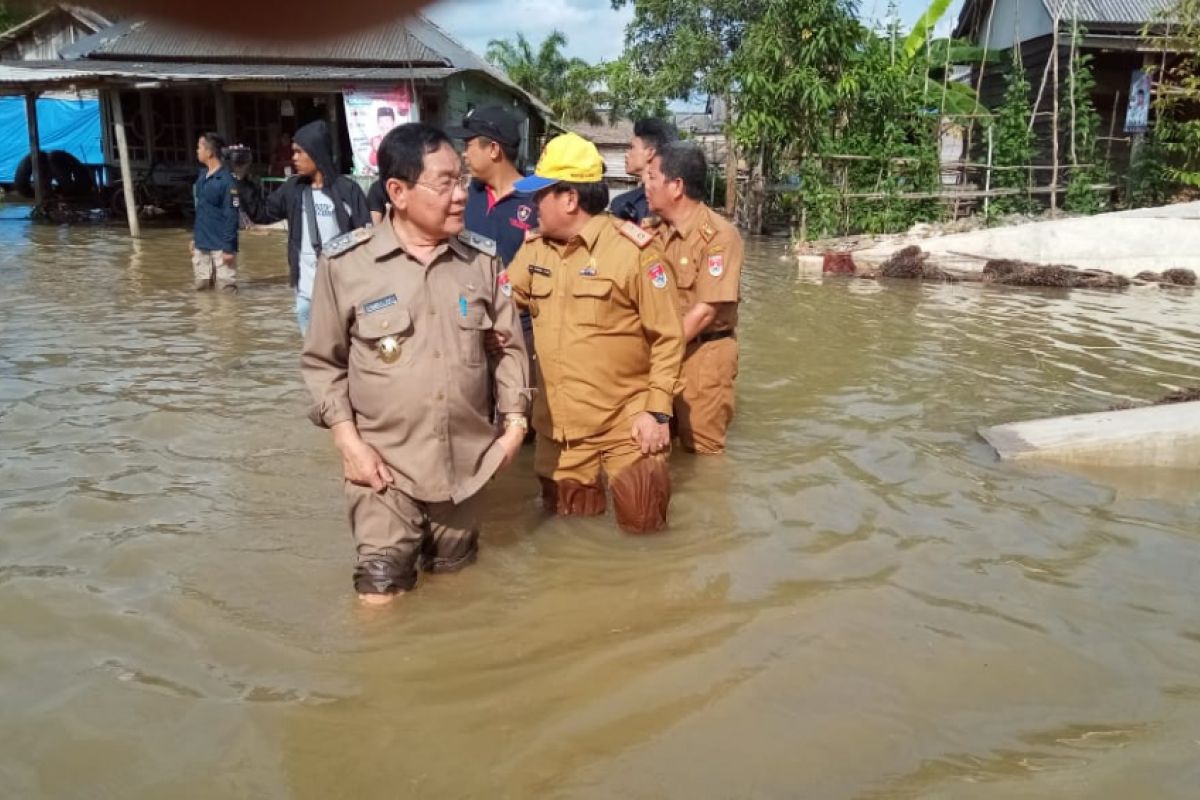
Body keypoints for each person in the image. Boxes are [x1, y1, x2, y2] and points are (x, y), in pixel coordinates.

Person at [301, 122, 530, 606]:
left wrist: (513, 427)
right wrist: (349, 444)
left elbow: (508, 348)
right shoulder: (346, 266)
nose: (461, 195)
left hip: (467, 473)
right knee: (379, 596)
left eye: (463, 180)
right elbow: (323, 365)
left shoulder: (482, 262)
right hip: (383, 471)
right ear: (398, 192)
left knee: (456, 592)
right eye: (445, 182)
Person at [507, 133, 684, 534]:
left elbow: (668, 336)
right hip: (562, 436)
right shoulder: (533, 252)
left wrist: (657, 411)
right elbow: (497, 301)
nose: (533, 205)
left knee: (645, 534)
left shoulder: (634, 252)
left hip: (627, 427)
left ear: (569, 199)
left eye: (542, 195)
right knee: (569, 541)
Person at [643, 141, 743, 455]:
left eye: (652, 178)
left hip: (703, 355)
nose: (645, 186)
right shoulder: (654, 233)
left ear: (676, 186)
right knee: (653, 444)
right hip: (666, 352)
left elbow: (705, 312)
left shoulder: (719, 236)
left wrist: (657, 352)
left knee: (702, 451)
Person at [256, 119, 372, 335]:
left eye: (299, 152)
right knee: (312, 356)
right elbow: (262, 212)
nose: (294, 158)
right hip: (305, 292)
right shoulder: (293, 189)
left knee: (346, 352)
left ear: (316, 152)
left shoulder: (348, 190)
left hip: (342, 291)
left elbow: (366, 236)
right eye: (294, 152)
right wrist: (240, 180)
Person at [447, 106, 538, 266]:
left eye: (468, 145)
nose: (464, 153)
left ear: (494, 149)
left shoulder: (537, 202)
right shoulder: (464, 195)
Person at [190, 132, 239, 293]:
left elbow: (231, 215)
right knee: (202, 291)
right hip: (202, 244)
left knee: (226, 293)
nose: (197, 151)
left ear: (209, 152)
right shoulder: (202, 177)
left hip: (221, 247)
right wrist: (194, 238)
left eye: (199, 147)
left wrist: (229, 248)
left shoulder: (227, 181)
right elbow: (201, 211)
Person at [609, 118, 678, 224]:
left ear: (650, 153)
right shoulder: (679, 200)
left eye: (632, 147)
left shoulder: (621, 204)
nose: (626, 154)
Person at [368, 106, 397, 173]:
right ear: (378, 124)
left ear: (393, 122)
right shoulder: (375, 140)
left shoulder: (399, 139)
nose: (384, 124)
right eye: (381, 121)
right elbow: (372, 161)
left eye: (387, 120)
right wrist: (377, 150)